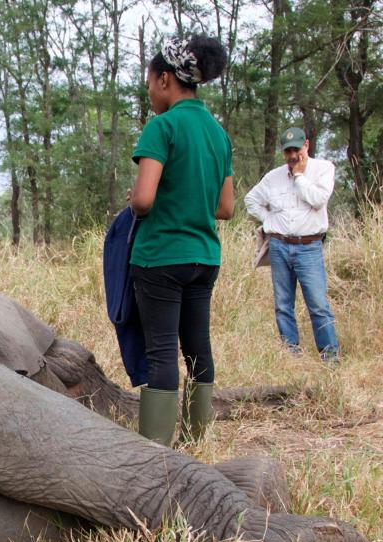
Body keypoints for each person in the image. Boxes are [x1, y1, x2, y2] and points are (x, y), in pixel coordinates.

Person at [127, 35, 235, 446]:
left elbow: (144, 199)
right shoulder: (218, 134)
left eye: (151, 82)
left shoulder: (162, 127)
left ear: (166, 79)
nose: (150, 90)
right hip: (204, 257)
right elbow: (225, 208)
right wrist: (191, 202)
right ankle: (195, 442)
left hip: (160, 258)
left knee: (160, 353)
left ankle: (155, 451)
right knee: (197, 349)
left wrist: (136, 203)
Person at [244, 128, 339, 361]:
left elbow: (318, 200)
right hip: (279, 245)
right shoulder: (273, 177)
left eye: (296, 149)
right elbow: (251, 200)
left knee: (317, 303)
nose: (292, 155)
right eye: (288, 151)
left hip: (309, 246)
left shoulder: (323, 169)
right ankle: (290, 355)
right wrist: (269, 221)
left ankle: (330, 357)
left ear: (306, 145)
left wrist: (298, 176)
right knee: (283, 304)